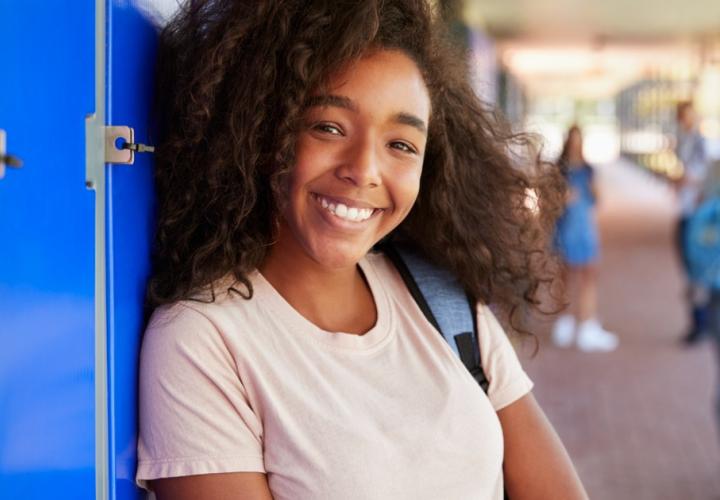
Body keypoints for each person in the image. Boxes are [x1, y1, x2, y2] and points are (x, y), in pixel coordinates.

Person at [136, 1, 588, 499]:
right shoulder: (203, 341)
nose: (365, 170)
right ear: (260, 128)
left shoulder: (444, 300)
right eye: (328, 127)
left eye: (401, 144)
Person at [551, 125, 619, 352]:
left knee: (588, 276)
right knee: (566, 277)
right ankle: (568, 321)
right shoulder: (558, 170)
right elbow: (547, 201)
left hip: (584, 229)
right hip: (565, 228)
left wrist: (593, 190)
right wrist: (562, 199)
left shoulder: (588, 171)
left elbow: (598, 199)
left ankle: (584, 322)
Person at [674, 101, 710, 344]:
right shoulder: (685, 142)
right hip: (686, 210)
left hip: (697, 214)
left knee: (696, 268)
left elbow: (698, 177)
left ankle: (701, 321)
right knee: (689, 269)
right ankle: (698, 320)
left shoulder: (700, 143)